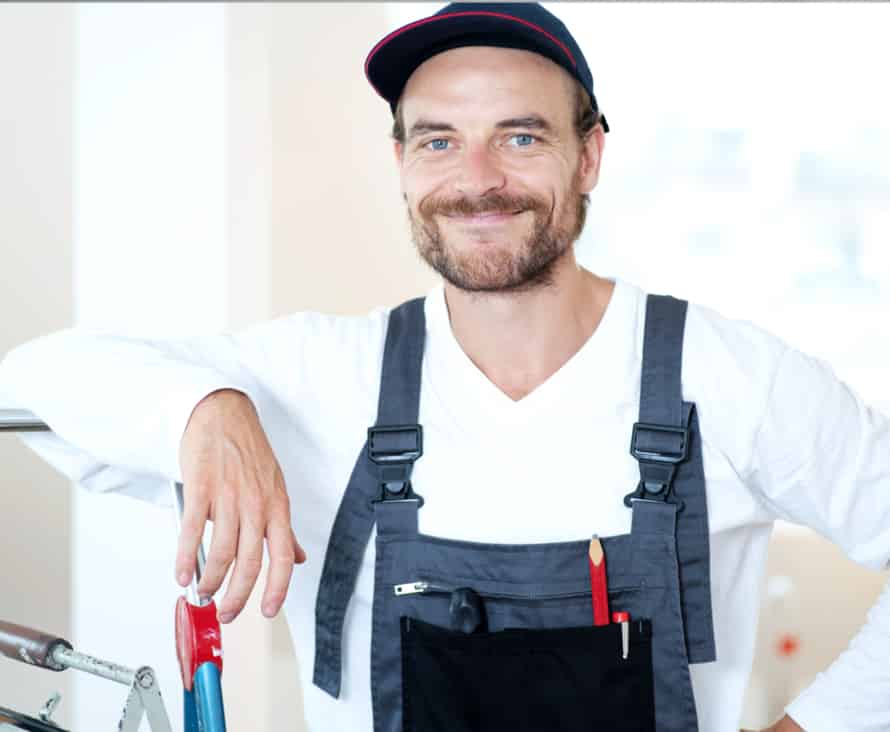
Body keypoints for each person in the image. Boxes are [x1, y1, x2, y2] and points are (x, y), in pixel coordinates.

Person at [1, 3, 889, 731]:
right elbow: (36, 377)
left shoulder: (729, 377)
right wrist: (207, 405)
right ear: (400, 165)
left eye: (520, 138)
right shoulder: (322, 376)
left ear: (589, 157)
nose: (476, 178)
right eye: (437, 141)